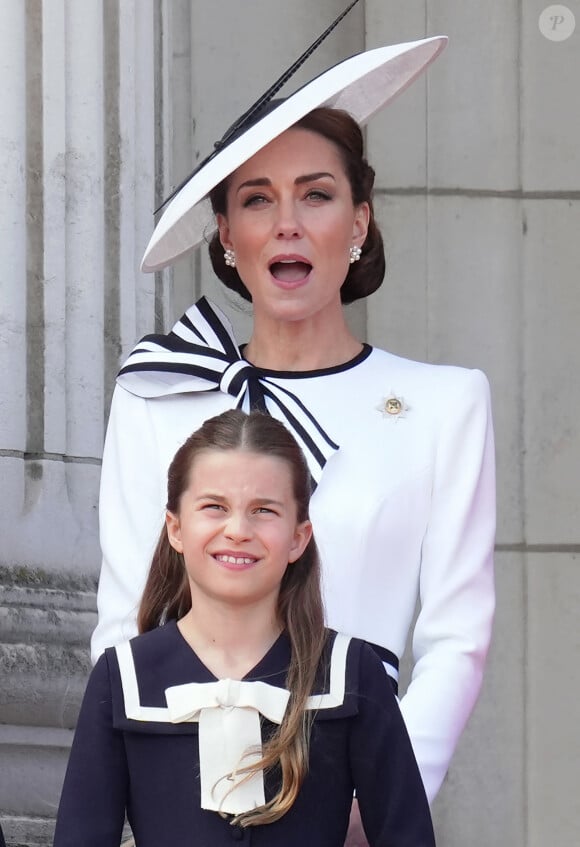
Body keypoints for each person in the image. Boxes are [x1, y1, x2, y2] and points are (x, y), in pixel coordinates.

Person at [91, 24, 495, 816]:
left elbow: (457, 639)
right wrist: (148, 790)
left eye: (316, 194)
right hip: (189, 769)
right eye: (255, 199)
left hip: (357, 770)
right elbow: (121, 620)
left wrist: (380, 798)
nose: (286, 222)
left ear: (358, 224)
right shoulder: (157, 394)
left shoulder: (447, 405)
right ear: (229, 240)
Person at [55, 410, 435, 846]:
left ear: (298, 537)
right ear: (176, 528)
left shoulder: (351, 672)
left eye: (264, 510)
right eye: (214, 507)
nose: (237, 530)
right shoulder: (122, 676)